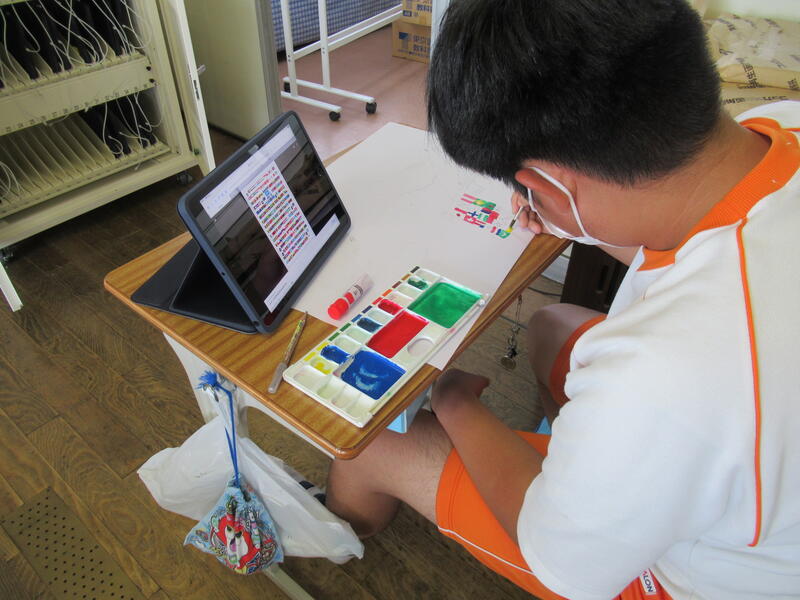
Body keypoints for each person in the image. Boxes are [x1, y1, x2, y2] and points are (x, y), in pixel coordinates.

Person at [325, 1, 800, 598]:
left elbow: (559, 560)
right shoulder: (778, 124)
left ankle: (337, 545)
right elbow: (697, 245)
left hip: (691, 580)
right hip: (760, 490)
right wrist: (571, 217)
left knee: (370, 444)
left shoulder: (661, 374)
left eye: (530, 194)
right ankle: (592, 466)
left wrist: (453, 401)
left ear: (549, 183)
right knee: (552, 326)